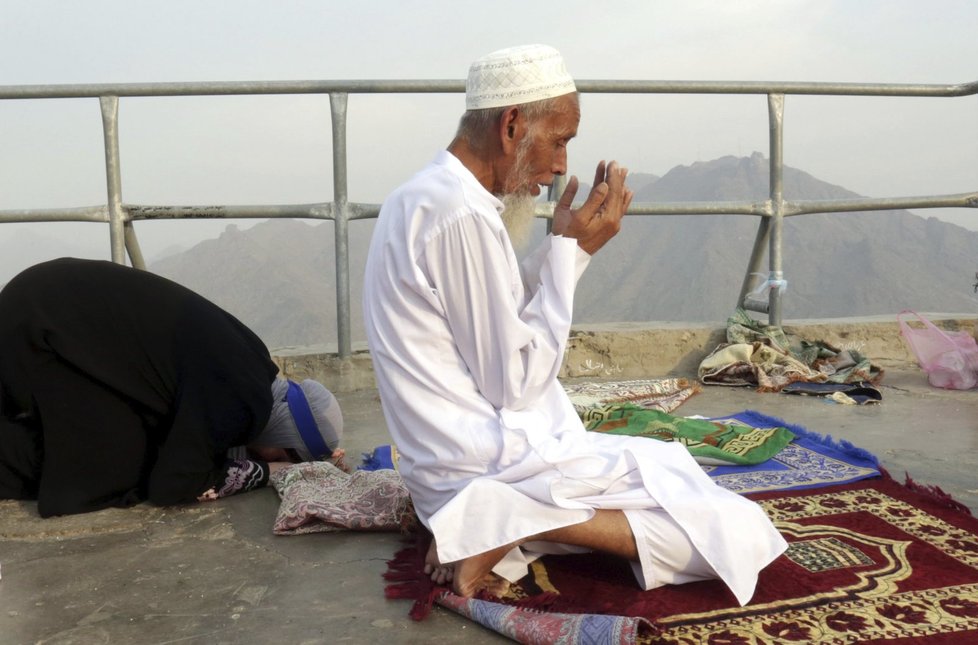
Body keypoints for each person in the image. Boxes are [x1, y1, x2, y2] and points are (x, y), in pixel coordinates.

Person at [363, 44, 787, 604]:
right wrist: (564, 255)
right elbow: (514, 381)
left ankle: (499, 521)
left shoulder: (431, 197)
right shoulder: (459, 214)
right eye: (559, 140)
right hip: (483, 465)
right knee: (739, 531)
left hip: (465, 457)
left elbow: (500, 315)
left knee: (675, 473)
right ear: (512, 125)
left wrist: (573, 248)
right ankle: (504, 520)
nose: (561, 165)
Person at [0, 257, 344, 518]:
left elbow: (195, 437)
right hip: (39, 334)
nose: (264, 454)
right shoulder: (243, 400)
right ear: (283, 435)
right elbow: (175, 483)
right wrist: (271, 471)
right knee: (111, 469)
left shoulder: (255, 367)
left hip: (42, 307)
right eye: (282, 453)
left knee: (140, 440)